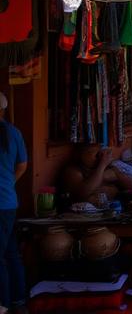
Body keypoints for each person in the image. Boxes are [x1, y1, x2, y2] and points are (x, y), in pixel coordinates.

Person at [0, 93, 27, 312]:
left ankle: (4, 304)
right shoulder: (14, 132)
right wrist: (9, 183)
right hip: (9, 202)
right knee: (10, 253)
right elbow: (22, 165)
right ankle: (18, 301)